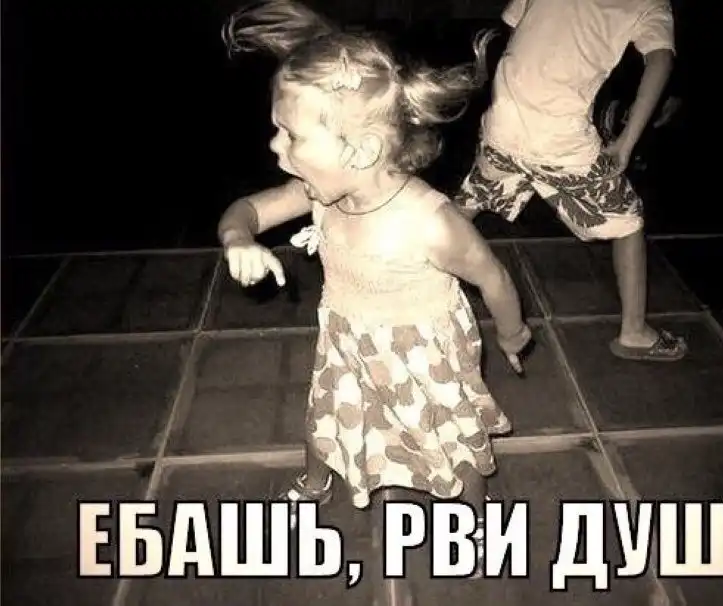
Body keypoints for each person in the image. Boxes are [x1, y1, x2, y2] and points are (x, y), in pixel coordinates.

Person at [216, 0, 531, 574]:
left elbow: (493, 276)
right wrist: (238, 238)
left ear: (360, 151)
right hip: (345, 340)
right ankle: (316, 482)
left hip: (423, 357)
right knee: (324, 417)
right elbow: (246, 211)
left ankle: (474, 520)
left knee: (450, 443)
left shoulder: (432, 222)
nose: (275, 146)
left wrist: (512, 333)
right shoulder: (318, 191)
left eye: (290, 135)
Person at [455, 0, 687, 362]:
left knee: (469, 201)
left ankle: (405, 269)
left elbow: (513, 27)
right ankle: (635, 333)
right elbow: (660, 62)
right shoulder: (650, 2)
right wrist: (626, 142)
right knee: (628, 222)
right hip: (559, 136)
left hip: (504, 118)